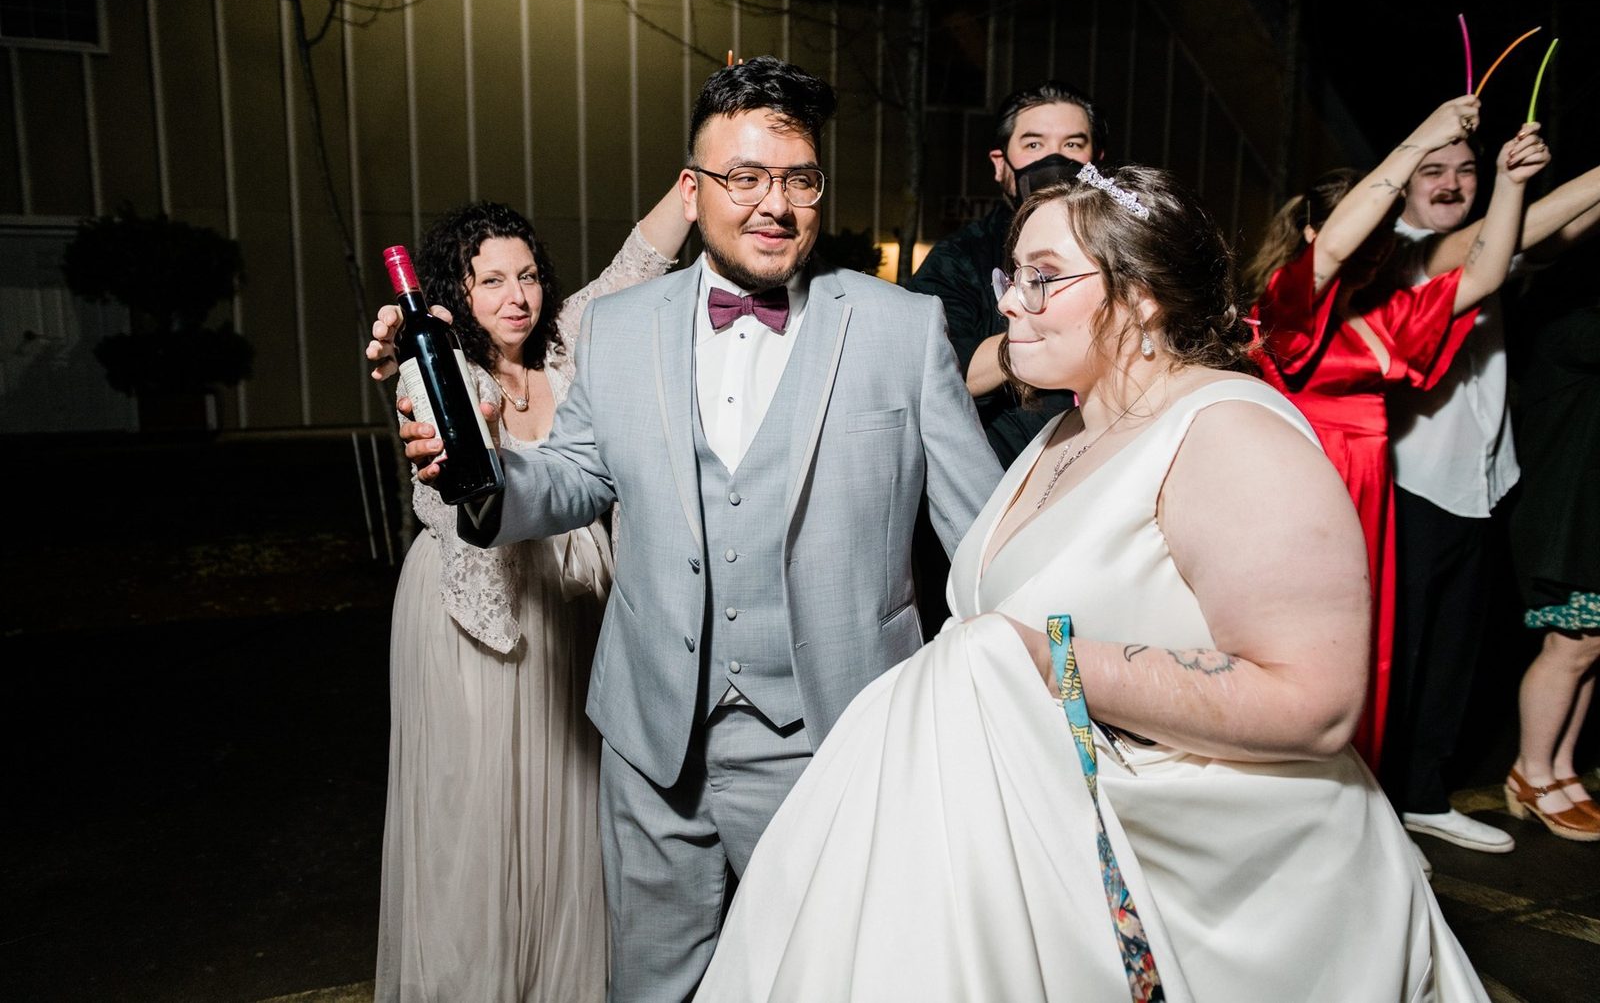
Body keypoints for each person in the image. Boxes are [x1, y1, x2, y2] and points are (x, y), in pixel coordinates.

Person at [693, 166, 1486, 1002]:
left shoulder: (1230, 435)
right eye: (1014, 276)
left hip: (1224, 894)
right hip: (1056, 853)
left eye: (1044, 278)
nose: (1008, 302)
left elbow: (1315, 702)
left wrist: (1039, 660)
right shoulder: (1065, 428)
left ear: (1140, 296)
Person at [370, 56, 1001, 1000]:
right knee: (650, 984)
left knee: (833, 977)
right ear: (695, 187)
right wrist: (486, 476)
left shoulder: (898, 328)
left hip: (831, 738)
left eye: (798, 178)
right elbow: (578, 475)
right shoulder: (620, 327)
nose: (773, 204)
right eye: (743, 178)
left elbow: (985, 539)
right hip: (648, 737)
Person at [369, 192, 691, 1002]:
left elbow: (641, 258)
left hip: (573, 611)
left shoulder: (572, 342)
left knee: (572, 814)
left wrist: (701, 178)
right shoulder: (438, 363)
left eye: (529, 276)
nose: (517, 297)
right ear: (455, 292)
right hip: (469, 619)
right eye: (491, 282)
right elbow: (445, 464)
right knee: (474, 824)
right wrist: (408, 365)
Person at [1241, 95, 1548, 769]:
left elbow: (1486, 272)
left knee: (1368, 657)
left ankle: (1357, 806)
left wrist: (1513, 184)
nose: (1379, 244)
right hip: (1306, 498)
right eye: (1367, 227)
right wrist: (1421, 136)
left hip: (1372, 500)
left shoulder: (1388, 316)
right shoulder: (1287, 306)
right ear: (1323, 232)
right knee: (1297, 657)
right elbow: (1334, 251)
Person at [1385, 144, 1600, 853]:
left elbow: (1555, 232)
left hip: (1479, 482)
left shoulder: (1497, 244)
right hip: (1410, 481)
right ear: (1404, 184)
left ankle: (1422, 796)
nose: (1451, 184)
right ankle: (1378, 812)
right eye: (1433, 172)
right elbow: (1501, 239)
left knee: (1453, 655)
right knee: (1401, 657)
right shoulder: (1402, 252)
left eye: (1465, 172)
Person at [908, 79, 1104, 467]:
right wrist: (1041, 337)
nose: (1055, 159)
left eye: (1072, 145)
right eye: (1034, 145)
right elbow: (937, 373)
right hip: (1003, 478)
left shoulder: (1123, 252)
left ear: (1095, 160)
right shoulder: (958, 259)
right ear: (1000, 164)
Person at [1504, 280, 1600, 841]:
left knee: (1590, 646)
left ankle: (1560, 769)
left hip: (1585, 514)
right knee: (1570, 644)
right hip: (1566, 516)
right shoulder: (1572, 325)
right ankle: (1529, 772)